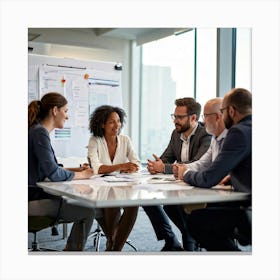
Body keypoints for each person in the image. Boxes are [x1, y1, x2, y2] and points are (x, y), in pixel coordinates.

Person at [177, 88, 252, 251]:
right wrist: (234, 177)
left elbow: (208, 179)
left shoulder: (238, 131)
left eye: (223, 111)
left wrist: (187, 174)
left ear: (231, 111)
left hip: (250, 208)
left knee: (197, 221)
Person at [28, 92, 96, 251]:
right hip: (32, 200)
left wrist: (75, 169)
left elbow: (49, 167)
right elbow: (53, 174)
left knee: (85, 206)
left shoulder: (36, 130)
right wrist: (82, 175)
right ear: (54, 111)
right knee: (88, 211)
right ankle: (70, 255)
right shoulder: (40, 133)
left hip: (33, 195)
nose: (67, 116)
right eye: (65, 111)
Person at [143, 97, 211, 251]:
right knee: (146, 198)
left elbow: (197, 164)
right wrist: (155, 165)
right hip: (180, 184)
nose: (175, 121)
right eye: (174, 116)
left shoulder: (205, 135)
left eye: (180, 117)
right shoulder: (176, 134)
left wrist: (163, 168)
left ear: (193, 118)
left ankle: (189, 238)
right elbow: (166, 158)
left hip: (200, 186)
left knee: (173, 205)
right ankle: (171, 238)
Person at [87, 105, 141, 251]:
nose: (117, 125)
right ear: (102, 124)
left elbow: (136, 162)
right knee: (112, 202)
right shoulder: (95, 140)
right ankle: (113, 244)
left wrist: (131, 167)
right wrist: (121, 166)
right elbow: (97, 168)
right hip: (101, 187)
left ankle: (114, 246)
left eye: (118, 121)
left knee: (133, 205)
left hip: (122, 184)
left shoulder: (125, 140)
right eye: (111, 122)